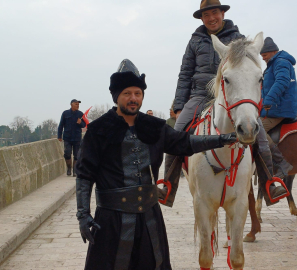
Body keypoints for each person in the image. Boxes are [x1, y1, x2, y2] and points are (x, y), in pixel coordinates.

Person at [75, 59, 237, 270]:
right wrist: (83, 215)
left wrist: (220, 139)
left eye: (137, 93)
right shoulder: (98, 130)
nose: (133, 99)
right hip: (112, 220)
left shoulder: (153, 127)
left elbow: (185, 142)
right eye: (127, 94)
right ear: (116, 97)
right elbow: (85, 174)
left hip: (149, 219)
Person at [163, 0, 287, 208]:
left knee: (261, 137)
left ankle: (270, 183)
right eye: (206, 15)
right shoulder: (194, 41)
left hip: (231, 94)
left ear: (222, 13)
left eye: (215, 13)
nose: (211, 18)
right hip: (201, 94)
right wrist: (179, 104)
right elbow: (185, 74)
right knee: (177, 132)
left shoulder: (238, 39)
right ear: (202, 18)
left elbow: (248, 72)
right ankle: (167, 185)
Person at [259, 37, 297, 176]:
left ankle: (281, 162)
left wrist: (268, 100)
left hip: (280, 108)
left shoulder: (280, 62)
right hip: (276, 107)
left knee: (258, 130)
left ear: (273, 51)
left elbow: (282, 81)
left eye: (264, 55)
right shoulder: (274, 64)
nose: (263, 58)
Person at [58, 99, 86, 177]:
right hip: (67, 137)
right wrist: (59, 136)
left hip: (77, 137)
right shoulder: (65, 113)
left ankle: (75, 171)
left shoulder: (80, 114)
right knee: (67, 153)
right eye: (76, 104)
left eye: (78, 104)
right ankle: (69, 168)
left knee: (77, 155)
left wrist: (81, 123)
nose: (77, 105)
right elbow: (61, 125)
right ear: (71, 104)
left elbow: (84, 125)